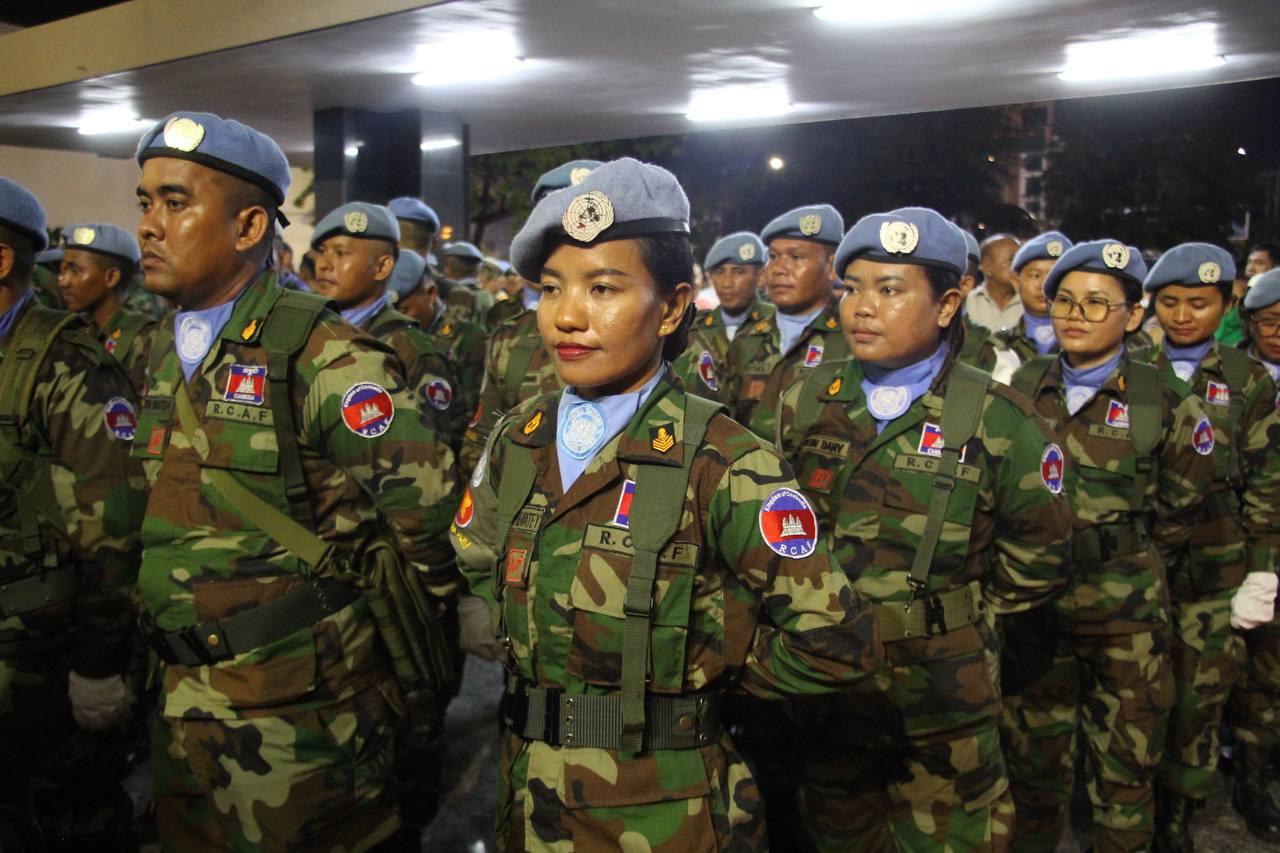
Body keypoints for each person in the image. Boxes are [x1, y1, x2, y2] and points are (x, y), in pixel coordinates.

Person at [450, 157, 882, 850]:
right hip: (528, 795)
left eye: (602, 288)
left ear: (674, 307)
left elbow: (837, 642)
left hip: (664, 808)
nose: (567, 315)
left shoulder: (724, 461)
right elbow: (475, 556)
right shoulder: (519, 438)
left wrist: (697, 666)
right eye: (553, 287)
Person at [131, 111, 462, 851]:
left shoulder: (327, 355)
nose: (150, 225)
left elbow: (431, 520)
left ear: (249, 226)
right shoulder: (164, 347)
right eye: (146, 202)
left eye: (177, 203)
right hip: (182, 701)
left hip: (301, 721)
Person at [775, 206, 1071, 852]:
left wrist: (957, 617)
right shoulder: (806, 399)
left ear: (947, 305)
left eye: (890, 290)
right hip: (832, 686)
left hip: (945, 695)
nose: (863, 308)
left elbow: (1039, 557)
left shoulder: (999, 418)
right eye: (852, 288)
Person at [1002, 239, 1216, 852]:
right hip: (1036, 608)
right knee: (1032, 766)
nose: (1076, 315)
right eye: (1065, 301)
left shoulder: (1164, 400)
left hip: (1128, 617)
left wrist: (1121, 554)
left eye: (1097, 303)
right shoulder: (1023, 384)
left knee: (1125, 771)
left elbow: (1181, 506)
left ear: (1134, 314)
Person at [0, 177, 145, 850]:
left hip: (36, 656)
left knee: (69, 816)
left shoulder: (68, 365)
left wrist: (97, 662)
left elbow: (112, 528)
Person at [1129, 243, 1280, 850]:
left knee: (1198, 701)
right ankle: (1130, 813)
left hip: (1217, 569)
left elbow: (1266, 484)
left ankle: (1177, 820)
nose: (1183, 315)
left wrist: (1261, 572)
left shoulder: (1246, 378)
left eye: (1199, 303)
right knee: (1136, 699)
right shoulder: (1130, 365)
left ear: (1226, 306)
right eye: (1170, 302)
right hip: (1139, 564)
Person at [1227, 266, 1280, 843]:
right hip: (1243, 541)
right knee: (1251, 671)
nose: (1279, 333)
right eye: (1270, 322)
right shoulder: (1232, 378)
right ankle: (1249, 778)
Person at [724, 204, 849, 440]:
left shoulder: (854, 339)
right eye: (773, 257)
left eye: (796, 257)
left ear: (832, 267)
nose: (779, 269)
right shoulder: (747, 339)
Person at [672, 231, 771, 403]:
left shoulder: (780, 324)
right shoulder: (691, 328)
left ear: (760, 276)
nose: (727, 283)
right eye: (719, 272)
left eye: (738, 272)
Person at [57, 222, 157, 392]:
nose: (63, 281)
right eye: (63, 270)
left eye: (75, 271)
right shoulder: (75, 332)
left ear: (111, 277)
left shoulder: (145, 339)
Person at [1217, 242, 1279, 347]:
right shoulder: (1234, 285)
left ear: (1276, 267)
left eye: (1259, 263)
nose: (1250, 268)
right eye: (1249, 262)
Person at [964, 233, 1022, 332]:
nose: (1019, 265)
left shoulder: (1031, 305)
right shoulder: (967, 304)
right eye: (1012, 259)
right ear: (987, 266)